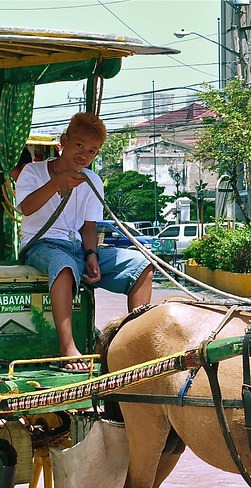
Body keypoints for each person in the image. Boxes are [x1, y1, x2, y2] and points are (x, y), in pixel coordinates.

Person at [16, 112, 153, 371]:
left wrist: (91, 254)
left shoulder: (92, 180)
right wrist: (57, 183)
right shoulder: (32, 172)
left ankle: (134, 345)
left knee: (141, 265)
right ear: (63, 142)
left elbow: (88, 226)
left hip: (78, 248)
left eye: (91, 151)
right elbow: (26, 208)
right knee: (65, 266)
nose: (84, 155)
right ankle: (67, 347)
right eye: (79, 145)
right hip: (41, 246)